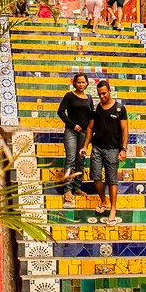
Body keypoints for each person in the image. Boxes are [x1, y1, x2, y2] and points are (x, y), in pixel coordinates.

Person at [83, 80, 128, 225]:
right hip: (97, 148)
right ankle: (103, 201)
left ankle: (113, 209)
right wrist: (85, 146)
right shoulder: (96, 110)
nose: (101, 96)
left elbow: (124, 130)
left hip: (113, 149)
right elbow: (90, 128)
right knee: (95, 176)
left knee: (112, 180)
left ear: (109, 91)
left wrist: (123, 149)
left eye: (104, 93)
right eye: (99, 94)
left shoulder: (119, 109)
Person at [56, 74, 93, 207]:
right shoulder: (69, 96)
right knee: (70, 159)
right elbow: (60, 112)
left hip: (84, 133)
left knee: (80, 160)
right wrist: (72, 125)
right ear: (74, 83)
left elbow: (91, 116)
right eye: (79, 82)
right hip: (71, 132)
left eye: (83, 82)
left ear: (87, 83)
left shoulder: (89, 98)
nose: (81, 84)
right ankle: (67, 190)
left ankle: (77, 187)